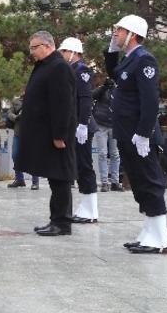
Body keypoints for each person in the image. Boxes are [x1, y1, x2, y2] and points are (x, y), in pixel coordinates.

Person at [105, 14, 167, 254]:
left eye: (119, 31)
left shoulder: (145, 60)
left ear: (133, 34)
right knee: (139, 183)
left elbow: (151, 101)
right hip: (126, 132)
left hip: (138, 134)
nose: (115, 33)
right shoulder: (129, 60)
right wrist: (111, 50)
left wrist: (144, 133)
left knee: (150, 181)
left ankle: (160, 238)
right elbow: (115, 73)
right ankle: (149, 232)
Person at [17, 31, 77, 237]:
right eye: (30, 48)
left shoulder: (59, 67)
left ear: (48, 45)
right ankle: (55, 219)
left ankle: (62, 223)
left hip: (57, 136)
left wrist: (60, 134)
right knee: (54, 178)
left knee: (60, 178)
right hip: (45, 133)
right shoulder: (46, 66)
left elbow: (63, 104)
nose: (31, 52)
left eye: (34, 47)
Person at [60, 37, 99, 224]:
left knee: (84, 165)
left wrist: (83, 124)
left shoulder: (81, 70)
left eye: (64, 51)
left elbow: (85, 99)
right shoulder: (70, 70)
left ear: (74, 52)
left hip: (81, 126)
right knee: (78, 166)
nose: (62, 55)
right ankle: (85, 206)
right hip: (74, 126)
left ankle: (90, 209)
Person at [91, 78, 123, 191]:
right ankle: (104, 182)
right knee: (102, 153)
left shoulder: (119, 89)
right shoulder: (102, 89)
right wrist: (104, 87)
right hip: (101, 124)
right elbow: (92, 95)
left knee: (115, 154)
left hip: (115, 125)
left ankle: (115, 182)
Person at [6, 96, 40, 189]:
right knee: (15, 155)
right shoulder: (16, 101)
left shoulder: (36, 99)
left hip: (31, 133)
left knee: (32, 157)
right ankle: (19, 179)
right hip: (18, 133)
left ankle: (35, 182)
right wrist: (16, 117)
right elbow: (9, 113)